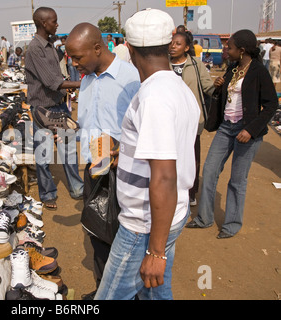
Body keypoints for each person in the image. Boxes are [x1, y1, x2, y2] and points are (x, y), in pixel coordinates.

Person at [94, 8, 200, 300]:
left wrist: (155, 251)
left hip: (144, 224)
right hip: (169, 213)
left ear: (128, 48)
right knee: (155, 292)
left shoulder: (154, 97)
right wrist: (125, 154)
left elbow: (164, 176)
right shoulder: (176, 87)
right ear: (169, 44)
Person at [66, 22, 140, 300]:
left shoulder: (131, 79)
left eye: (77, 57)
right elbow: (88, 124)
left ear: (98, 48)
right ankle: (104, 291)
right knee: (96, 233)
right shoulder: (86, 79)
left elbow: (142, 130)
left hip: (122, 174)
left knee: (123, 237)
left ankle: (127, 293)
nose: (74, 64)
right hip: (94, 169)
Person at [186, 29, 278, 239]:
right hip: (227, 128)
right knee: (209, 171)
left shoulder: (258, 71)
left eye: (230, 47)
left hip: (247, 132)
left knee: (237, 180)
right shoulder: (233, 68)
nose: (226, 50)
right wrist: (219, 87)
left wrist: (251, 129)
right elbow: (226, 96)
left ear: (242, 50)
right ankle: (204, 218)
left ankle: (232, 224)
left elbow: (271, 105)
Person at [24, 7, 84, 210]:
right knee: (44, 154)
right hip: (43, 109)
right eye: (54, 21)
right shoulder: (35, 49)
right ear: (43, 23)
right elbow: (52, 81)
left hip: (59, 106)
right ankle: (48, 193)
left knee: (68, 151)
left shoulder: (51, 46)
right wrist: (82, 84)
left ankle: (77, 188)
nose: (57, 24)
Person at [169, 32, 215, 206]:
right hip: (169, 120)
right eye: (171, 43)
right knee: (170, 157)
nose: (173, 46)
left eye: (178, 44)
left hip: (192, 121)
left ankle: (190, 193)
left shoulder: (195, 64)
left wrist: (218, 88)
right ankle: (171, 190)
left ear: (187, 48)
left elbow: (208, 87)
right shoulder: (163, 64)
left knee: (191, 157)